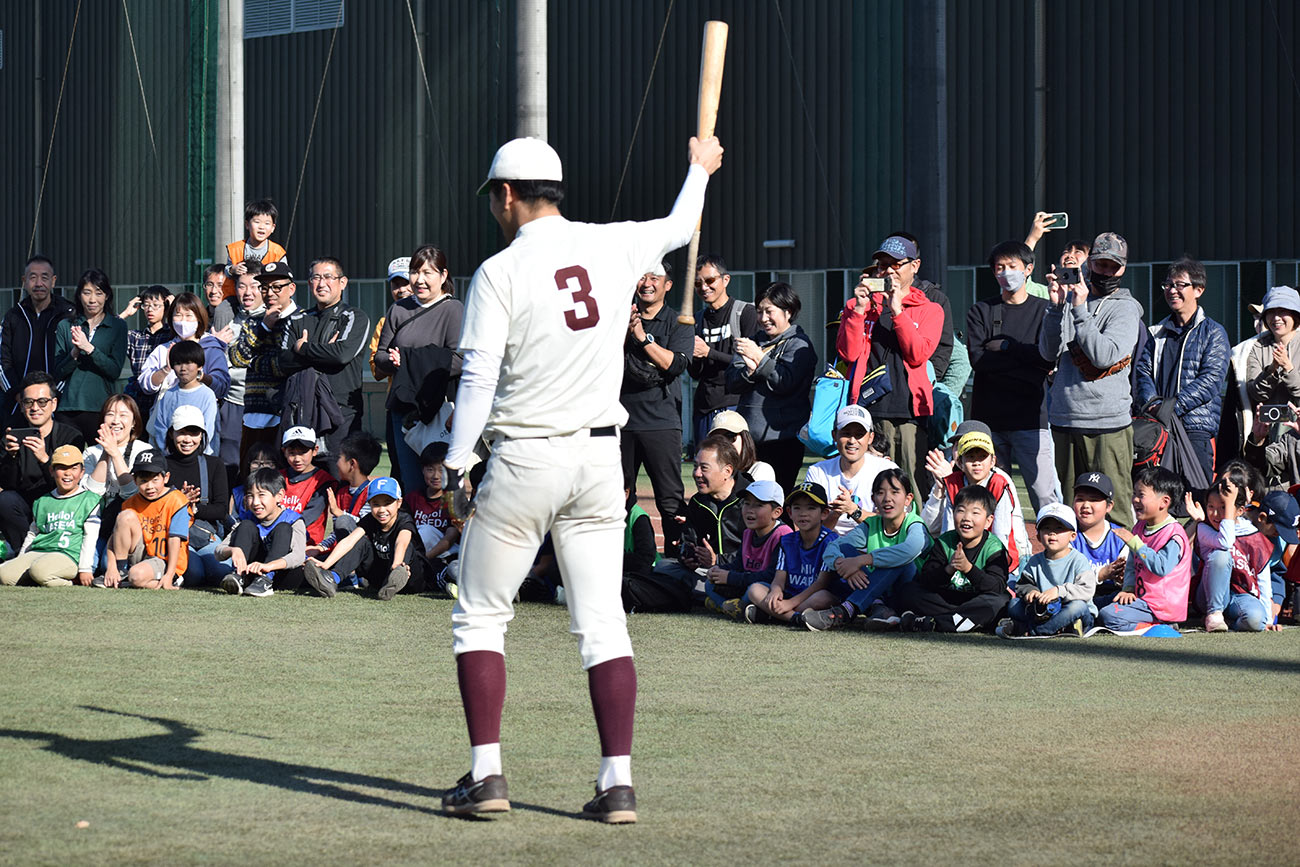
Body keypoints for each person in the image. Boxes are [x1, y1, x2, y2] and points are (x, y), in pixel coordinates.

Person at [439, 133, 723, 822]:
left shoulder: (500, 271)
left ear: (507, 194)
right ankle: (617, 782)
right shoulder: (611, 243)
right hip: (600, 456)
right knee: (603, 624)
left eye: (494, 198)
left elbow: (477, 375)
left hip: (526, 453)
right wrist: (699, 166)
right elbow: (683, 226)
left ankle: (487, 775)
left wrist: (455, 462)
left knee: (480, 616)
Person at [1039, 232, 1144, 527]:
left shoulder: (1124, 307)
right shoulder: (1071, 301)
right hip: (1065, 418)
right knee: (1070, 511)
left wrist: (1080, 309)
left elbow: (1104, 355)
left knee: (1114, 510)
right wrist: (1056, 307)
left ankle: (1122, 571)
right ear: (1090, 264)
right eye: (1101, 265)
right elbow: (1047, 353)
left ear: (1123, 269)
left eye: (1114, 266)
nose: (1107, 272)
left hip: (1107, 424)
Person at [837, 244, 945, 498]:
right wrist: (858, 310)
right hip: (868, 410)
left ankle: (920, 536)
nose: (887, 271)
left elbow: (918, 354)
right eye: (882, 265)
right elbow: (847, 353)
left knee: (913, 487)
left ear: (914, 266)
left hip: (909, 412)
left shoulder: (930, 308)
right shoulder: (858, 306)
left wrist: (897, 311)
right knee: (870, 488)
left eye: (895, 264)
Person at [965, 241, 1058, 512]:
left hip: (1031, 420)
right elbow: (978, 360)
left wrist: (1007, 347)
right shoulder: (980, 311)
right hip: (988, 421)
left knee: (1045, 497)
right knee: (988, 499)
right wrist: (1026, 360)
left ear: (1028, 269)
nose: (1006, 273)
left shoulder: (1045, 310)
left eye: (1012, 267)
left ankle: (1057, 549)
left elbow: (1046, 358)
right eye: (999, 268)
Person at [373, 245, 463, 497]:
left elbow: (461, 359)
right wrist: (392, 362)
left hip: (441, 409)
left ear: (443, 276)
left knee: (442, 486)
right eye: (415, 272)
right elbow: (380, 356)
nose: (419, 280)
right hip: (403, 410)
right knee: (410, 483)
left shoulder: (453, 309)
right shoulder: (399, 309)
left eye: (428, 273)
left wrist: (411, 362)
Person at [1133, 258, 1231, 479]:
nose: (1172, 291)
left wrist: (1170, 408)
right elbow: (1143, 372)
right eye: (1168, 285)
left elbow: (1211, 380)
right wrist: (1154, 406)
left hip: (1195, 427)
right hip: (1157, 428)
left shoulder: (1213, 332)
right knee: (1156, 494)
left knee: (1196, 496)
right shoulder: (1156, 332)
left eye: (1179, 285)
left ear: (1199, 290)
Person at [620, 260, 693, 555]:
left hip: (661, 421)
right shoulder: (619, 317)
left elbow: (673, 364)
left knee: (670, 498)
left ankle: (676, 561)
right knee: (616, 496)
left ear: (668, 285)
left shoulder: (678, 322)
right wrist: (623, 330)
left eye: (655, 277)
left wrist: (641, 336)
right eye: (642, 276)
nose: (647, 283)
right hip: (620, 420)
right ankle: (621, 559)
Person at [803, 468, 931, 632]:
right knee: (846, 549)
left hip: (910, 593)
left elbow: (909, 550)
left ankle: (846, 611)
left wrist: (861, 560)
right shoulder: (872, 524)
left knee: (900, 560)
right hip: (881, 590)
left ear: (908, 499)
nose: (887, 499)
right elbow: (832, 548)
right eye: (880, 493)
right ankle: (879, 608)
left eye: (895, 492)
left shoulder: (915, 524)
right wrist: (846, 567)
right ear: (873, 499)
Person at [727, 281, 818, 491]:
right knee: (743, 496)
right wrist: (749, 371)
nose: (763, 318)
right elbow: (732, 381)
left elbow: (784, 382)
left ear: (788, 312)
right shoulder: (751, 342)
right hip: (747, 439)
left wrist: (759, 359)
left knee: (776, 497)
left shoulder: (799, 344)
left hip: (783, 439)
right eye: (759, 312)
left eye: (769, 311)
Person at [894, 485, 1011, 633]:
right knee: (908, 591)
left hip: (976, 601)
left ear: (988, 521)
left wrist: (968, 569)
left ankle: (935, 623)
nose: (966, 518)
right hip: (946, 601)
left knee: (1000, 602)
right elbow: (926, 579)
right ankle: (961, 621)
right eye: (961, 510)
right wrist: (948, 569)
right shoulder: (945, 541)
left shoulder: (994, 548)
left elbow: (997, 587)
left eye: (975, 513)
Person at [647, 435, 746, 609]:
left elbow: (758, 555)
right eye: (695, 467)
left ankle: (716, 596)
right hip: (709, 572)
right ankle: (716, 597)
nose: (696, 474)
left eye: (704, 468)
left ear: (728, 471)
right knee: (664, 567)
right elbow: (688, 541)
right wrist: (687, 556)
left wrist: (717, 560)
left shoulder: (749, 501)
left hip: (742, 572)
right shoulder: (698, 502)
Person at [291, 257, 372, 459]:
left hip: (341, 414)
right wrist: (323, 351)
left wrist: (304, 348)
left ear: (342, 282)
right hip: (303, 412)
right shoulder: (299, 318)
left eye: (328, 277)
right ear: (309, 283)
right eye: (316, 277)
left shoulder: (354, 316)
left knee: (340, 480)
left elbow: (341, 355)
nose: (322, 283)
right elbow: (284, 361)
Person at [921, 429, 1032, 575]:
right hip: (961, 553)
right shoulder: (952, 483)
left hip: (995, 556)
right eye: (971, 457)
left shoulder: (1000, 483)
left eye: (982, 457)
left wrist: (997, 569)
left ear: (993, 461)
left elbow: (1001, 533)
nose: (977, 463)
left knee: (999, 594)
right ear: (960, 462)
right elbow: (947, 529)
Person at [1096, 467, 1192, 631]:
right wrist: (1128, 589)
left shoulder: (1173, 534)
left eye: (1141, 495)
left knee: (1109, 615)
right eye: (1134, 494)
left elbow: (1161, 567)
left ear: (1164, 502)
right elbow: (1132, 565)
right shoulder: (1140, 527)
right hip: (1141, 600)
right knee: (1094, 604)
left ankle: (1158, 625)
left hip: (1161, 606)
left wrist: (1135, 542)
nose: (1135, 500)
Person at [229, 261, 307, 462]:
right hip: (253, 412)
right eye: (264, 287)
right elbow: (237, 357)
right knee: (249, 476)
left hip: (287, 412)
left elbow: (289, 364)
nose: (269, 293)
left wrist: (255, 362)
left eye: (276, 287)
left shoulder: (303, 319)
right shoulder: (254, 322)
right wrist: (264, 327)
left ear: (291, 288)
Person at [303, 477, 429, 600]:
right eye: (376, 504)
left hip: (409, 577)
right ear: (369, 504)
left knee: (408, 547)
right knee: (361, 541)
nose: (381, 509)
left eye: (387, 503)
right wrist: (326, 564)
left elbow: (402, 542)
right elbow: (349, 541)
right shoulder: (370, 519)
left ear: (399, 503)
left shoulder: (404, 519)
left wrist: (397, 565)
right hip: (381, 575)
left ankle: (393, 579)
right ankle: (331, 578)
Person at [0, 373, 85, 554]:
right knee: (5, 500)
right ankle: (24, 552)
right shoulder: (12, 436)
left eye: (42, 402)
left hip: (60, 503)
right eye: (28, 402)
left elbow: (70, 483)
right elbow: (7, 485)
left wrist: (46, 459)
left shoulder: (71, 436)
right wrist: (11, 457)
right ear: (21, 406)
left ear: (53, 404)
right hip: (25, 503)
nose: (35, 408)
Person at [1185, 463, 1274, 633]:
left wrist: (1268, 619)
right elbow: (1225, 542)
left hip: (1239, 596)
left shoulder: (1254, 535)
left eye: (1223, 507)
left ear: (1240, 510)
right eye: (1211, 507)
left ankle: (1228, 621)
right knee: (1221, 555)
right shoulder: (1205, 528)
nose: (1216, 514)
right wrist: (1229, 504)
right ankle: (1214, 615)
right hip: (1208, 595)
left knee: (1256, 621)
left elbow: (1263, 579)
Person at [739, 482, 838, 627]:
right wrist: (775, 590)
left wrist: (789, 604)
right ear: (790, 512)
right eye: (797, 508)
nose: (803, 513)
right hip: (790, 595)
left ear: (824, 513)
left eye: (811, 508)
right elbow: (779, 577)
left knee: (822, 598)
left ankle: (772, 615)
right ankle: (797, 619)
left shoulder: (830, 541)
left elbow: (821, 583)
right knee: (755, 590)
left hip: (812, 595)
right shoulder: (787, 540)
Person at [0, 445, 100, 588]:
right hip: (38, 552)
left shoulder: (89, 500)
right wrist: (20, 559)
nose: (68, 473)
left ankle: (70, 584)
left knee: (39, 571)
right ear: (52, 471)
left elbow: (90, 537)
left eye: (73, 468)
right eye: (62, 468)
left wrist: (85, 568)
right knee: (4, 574)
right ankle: (38, 578)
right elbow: (32, 534)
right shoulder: (42, 501)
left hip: (67, 555)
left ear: (82, 471)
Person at [685, 254, 757, 446]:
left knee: (735, 466)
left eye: (709, 280)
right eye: (698, 283)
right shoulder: (696, 319)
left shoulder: (745, 313)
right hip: (704, 406)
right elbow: (694, 373)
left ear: (725, 280)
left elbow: (750, 363)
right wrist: (696, 356)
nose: (704, 287)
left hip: (735, 404)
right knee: (706, 467)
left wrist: (709, 352)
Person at [997, 503, 1097, 637]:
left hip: (1070, 608)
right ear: (1038, 537)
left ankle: (1035, 630)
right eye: (1046, 528)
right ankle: (1063, 627)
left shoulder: (1078, 560)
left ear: (1073, 536)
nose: (1052, 533)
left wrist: (1059, 591)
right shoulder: (1035, 561)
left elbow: (1087, 590)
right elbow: (1022, 585)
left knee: (1078, 607)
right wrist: (1031, 592)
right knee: (1014, 605)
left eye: (1059, 528)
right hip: (1043, 611)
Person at [52, 269, 129, 441]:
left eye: (99, 293)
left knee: (101, 460)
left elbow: (114, 370)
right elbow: (57, 372)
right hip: (68, 407)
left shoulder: (117, 326)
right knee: (68, 462)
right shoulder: (66, 325)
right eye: (87, 293)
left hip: (101, 407)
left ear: (107, 295)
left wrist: (89, 348)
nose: (92, 300)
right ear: (79, 295)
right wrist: (75, 352)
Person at [101, 448, 190, 590]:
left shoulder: (177, 500)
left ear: (166, 477)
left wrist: (170, 573)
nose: (149, 486)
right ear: (134, 480)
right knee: (125, 516)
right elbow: (114, 536)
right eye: (143, 480)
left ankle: (171, 580)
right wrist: (112, 568)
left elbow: (175, 541)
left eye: (155, 480)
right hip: (140, 555)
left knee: (136, 576)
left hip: (164, 559)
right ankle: (122, 571)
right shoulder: (130, 502)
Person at [1, 256, 76, 423]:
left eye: (44, 277)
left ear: (53, 281)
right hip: (18, 404)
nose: (39, 283)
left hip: (61, 404)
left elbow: (75, 358)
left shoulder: (68, 314)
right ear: (24, 281)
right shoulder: (13, 316)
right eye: (33, 277)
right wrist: (18, 394)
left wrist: (55, 393)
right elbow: (3, 361)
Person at [163, 405, 231, 588]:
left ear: (202, 435)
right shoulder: (162, 465)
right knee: (194, 573)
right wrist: (177, 502)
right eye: (182, 433)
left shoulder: (214, 464)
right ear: (172, 434)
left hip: (206, 535)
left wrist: (193, 508)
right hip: (175, 537)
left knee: (221, 572)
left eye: (193, 433)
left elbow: (221, 510)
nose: (187, 439)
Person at [802, 405, 897, 534]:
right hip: (829, 545)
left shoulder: (887, 470)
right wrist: (836, 513)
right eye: (846, 434)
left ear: (870, 438)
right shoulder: (818, 471)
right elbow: (811, 530)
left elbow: (893, 524)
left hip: (873, 547)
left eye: (859, 435)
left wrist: (853, 510)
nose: (852, 441)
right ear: (834, 436)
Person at [705, 479, 792, 618]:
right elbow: (740, 564)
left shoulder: (783, 535)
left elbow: (771, 576)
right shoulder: (748, 532)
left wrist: (730, 577)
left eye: (758, 505)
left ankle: (727, 606)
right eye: (746, 503)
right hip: (746, 582)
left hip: (768, 588)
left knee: (754, 590)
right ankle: (733, 607)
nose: (750, 510)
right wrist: (720, 570)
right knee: (709, 584)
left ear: (776, 512)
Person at [216, 468, 306, 598]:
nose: (255, 502)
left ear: (279, 496)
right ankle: (239, 577)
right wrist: (232, 550)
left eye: (261, 495)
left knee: (283, 528)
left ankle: (265, 582)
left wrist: (268, 567)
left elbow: (298, 556)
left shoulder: (293, 520)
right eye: (250, 496)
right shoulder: (246, 519)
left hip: (281, 575)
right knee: (246, 526)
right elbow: (219, 551)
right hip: (252, 572)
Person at [213, 271, 266, 485]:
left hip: (263, 404)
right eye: (242, 286)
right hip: (232, 403)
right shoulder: (228, 320)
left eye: (254, 286)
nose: (248, 292)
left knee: (259, 468)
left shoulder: (273, 320)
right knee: (229, 466)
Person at [370, 256, 414, 468]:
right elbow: (376, 370)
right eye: (396, 284)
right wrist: (391, 361)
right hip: (396, 404)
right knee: (398, 465)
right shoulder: (384, 322)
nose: (402, 289)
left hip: (431, 404)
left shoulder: (436, 313)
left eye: (406, 282)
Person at [148, 340, 218, 456]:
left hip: (199, 457)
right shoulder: (168, 394)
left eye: (189, 363)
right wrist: (168, 452)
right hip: (171, 457)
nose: (183, 368)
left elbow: (209, 430)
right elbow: (161, 427)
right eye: (178, 363)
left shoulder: (207, 395)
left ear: (199, 366)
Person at [1068, 471, 1128, 607]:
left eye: (1094, 500)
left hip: (1111, 597)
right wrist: (1102, 574)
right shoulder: (1067, 535)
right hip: (1076, 597)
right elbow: (1064, 579)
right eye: (1080, 499)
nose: (1086, 505)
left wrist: (1123, 578)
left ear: (1109, 506)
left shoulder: (1120, 537)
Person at [407, 442, 461, 579]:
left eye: (441, 470)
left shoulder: (453, 500)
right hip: (418, 554)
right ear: (422, 470)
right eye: (430, 469)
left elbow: (449, 539)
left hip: (446, 555)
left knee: (426, 530)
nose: (436, 476)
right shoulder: (412, 498)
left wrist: (422, 559)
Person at [122, 285, 174, 422]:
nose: (150, 309)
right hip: (137, 400)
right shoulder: (135, 337)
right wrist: (126, 313)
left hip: (162, 398)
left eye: (156, 305)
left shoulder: (172, 336)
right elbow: (108, 335)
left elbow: (190, 334)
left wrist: (174, 308)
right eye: (146, 305)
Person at [1245, 285, 1300, 413]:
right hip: (1266, 429)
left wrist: (1287, 367)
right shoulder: (1256, 347)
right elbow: (1256, 393)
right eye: (1271, 312)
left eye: (1282, 311)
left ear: (1295, 315)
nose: (1276, 318)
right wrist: (1271, 370)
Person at [221, 198, 287, 299]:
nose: (262, 227)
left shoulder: (278, 252)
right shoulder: (235, 249)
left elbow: (284, 278)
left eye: (267, 223)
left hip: (268, 298)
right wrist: (232, 270)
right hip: (238, 298)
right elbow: (227, 270)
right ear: (247, 224)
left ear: (273, 228)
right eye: (257, 222)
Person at [279, 426, 333, 546]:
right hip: (276, 538)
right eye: (292, 453)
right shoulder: (277, 477)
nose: (297, 459)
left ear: (315, 451)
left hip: (306, 544)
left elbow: (307, 518)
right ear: (284, 452)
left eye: (303, 452)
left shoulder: (322, 480)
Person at [203, 264, 236, 332]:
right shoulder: (198, 319)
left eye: (220, 285)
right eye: (209, 285)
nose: (213, 291)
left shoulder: (237, 319)